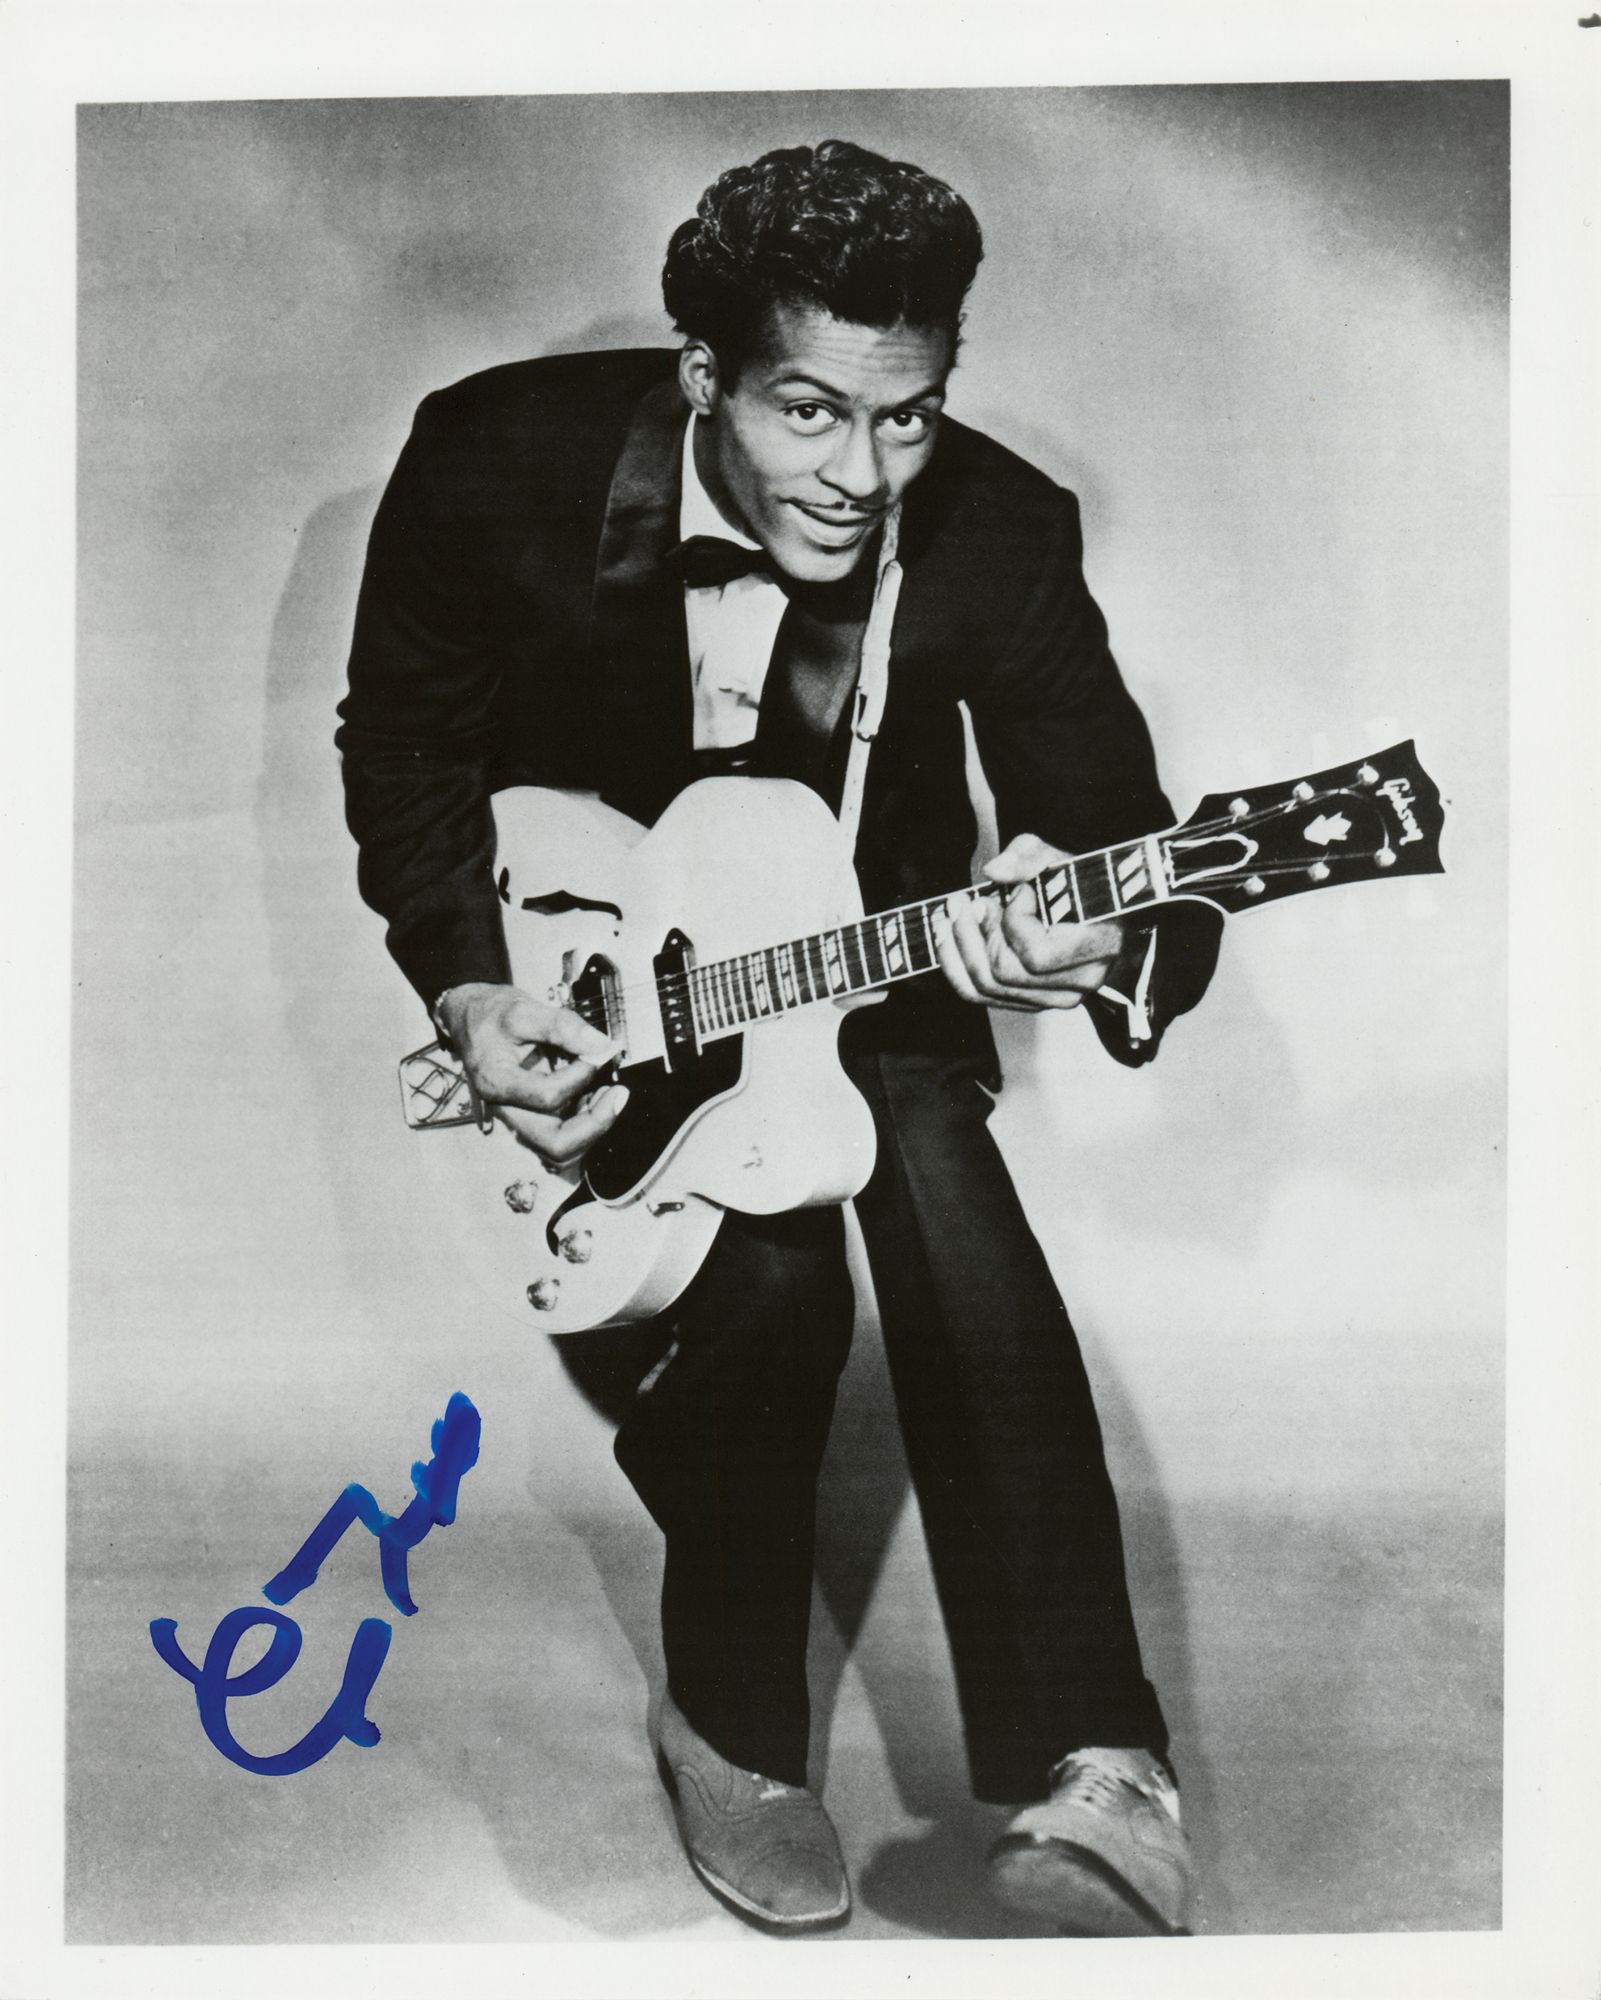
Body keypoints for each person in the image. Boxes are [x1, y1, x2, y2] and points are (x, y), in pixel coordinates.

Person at [337, 139, 1222, 1938]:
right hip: (587, 964)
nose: (861, 474)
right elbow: (405, 745)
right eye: (808, 412)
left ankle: (1103, 1765)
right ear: (703, 374)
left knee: (957, 1227)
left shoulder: (999, 527)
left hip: (864, 963)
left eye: (906, 418)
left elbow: (1121, 834)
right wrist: (473, 987)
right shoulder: (494, 457)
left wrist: (1094, 922)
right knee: (775, 1291)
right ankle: (733, 1736)